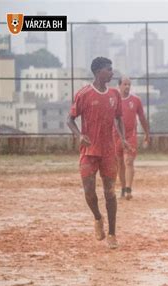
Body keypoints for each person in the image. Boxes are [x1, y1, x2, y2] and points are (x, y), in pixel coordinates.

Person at [67, 57, 130, 249]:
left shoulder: (114, 95)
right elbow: (69, 120)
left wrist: (123, 138)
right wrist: (79, 135)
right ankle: (97, 217)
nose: (112, 73)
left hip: (109, 152)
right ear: (98, 72)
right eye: (109, 69)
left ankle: (112, 234)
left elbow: (119, 118)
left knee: (110, 193)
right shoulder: (84, 94)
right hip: (89, 151)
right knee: (89, 192)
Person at [113, 76, 150, 200]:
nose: (127, 87)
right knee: (119, 164)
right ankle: (123, 188)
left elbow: (142, 118)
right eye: (125, 84)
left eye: (129, 84)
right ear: (119, 85)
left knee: (128, 161)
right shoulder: (113, 100)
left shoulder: (136, 100)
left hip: (130, 136)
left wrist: (147, 133)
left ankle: (129, 189)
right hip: (115, 136)